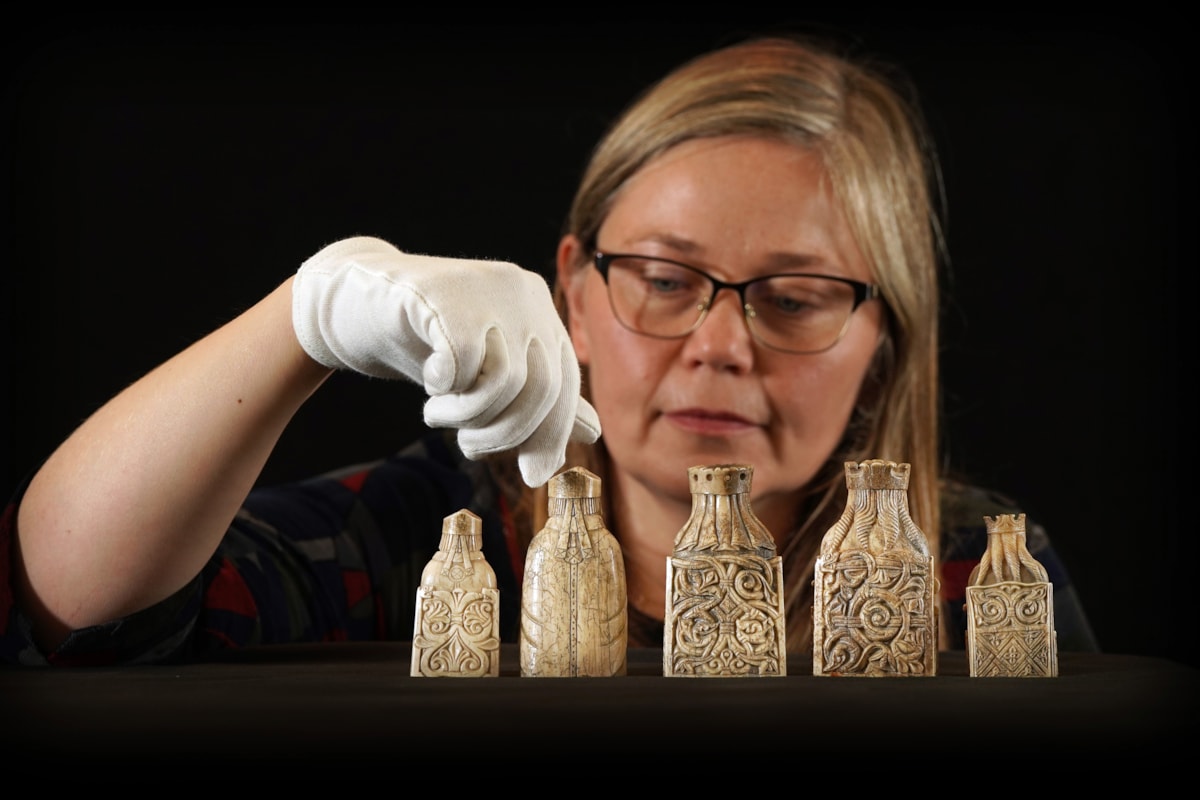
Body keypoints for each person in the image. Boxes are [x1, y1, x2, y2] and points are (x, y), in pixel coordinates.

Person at [0, 32, 1099, 667]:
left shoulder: (969, 568)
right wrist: (307, 316)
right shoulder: (426, 533)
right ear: (574, 288)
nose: (719, 345)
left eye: (798, 299)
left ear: (883, 338)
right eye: (665, 282)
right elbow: (73, 609)